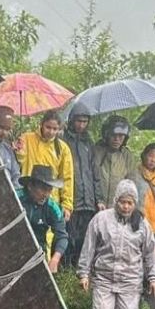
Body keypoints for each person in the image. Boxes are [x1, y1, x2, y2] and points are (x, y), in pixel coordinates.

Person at [78, 179, 155, 309]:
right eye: (122, 202)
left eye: (130, 203)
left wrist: (153, 278)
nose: (126, 207)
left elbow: (150, 254)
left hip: (130, 283)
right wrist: (83, 273)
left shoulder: (142, 225)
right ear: (116, 200)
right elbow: (89, 247)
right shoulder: (101, 219)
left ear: (135, 203)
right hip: (104, 281)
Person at [64, 112, 105, 268]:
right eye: (79, 121)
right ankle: (66, 270)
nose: (81, 125)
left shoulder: (89, 143)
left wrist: (99, 199)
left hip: (88, 200)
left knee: (85, 238)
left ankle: (81, 270)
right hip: (71, 198)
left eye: (85, 121)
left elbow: (95, 173)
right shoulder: (63, 140)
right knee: (69, 236)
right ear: (72, 120)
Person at [18, 110, 74, 218]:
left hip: (51, 199)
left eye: (55, 129)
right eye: (48, 127)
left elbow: (67, 178)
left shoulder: (62, 148)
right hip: (29, 194)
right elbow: (19, 162)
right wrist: (19, 151)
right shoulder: (26, 139)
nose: (51, 132)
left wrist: (67, 204)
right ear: (41, 124)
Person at [15, 165, 69, 272]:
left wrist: (55, 258)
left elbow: (62, 236)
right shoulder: (15, 198)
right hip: (13, 249)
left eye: (49, 190)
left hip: (38, 255)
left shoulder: (52, 207)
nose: (46, 194)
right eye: (43, 189)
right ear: (31, 186)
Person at [93, 115, 136, 202]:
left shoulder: (127, 155)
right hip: (96, 202)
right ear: (107, 135)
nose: (117, 139)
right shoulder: (96, 151)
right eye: (113, 135)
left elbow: (131, 182)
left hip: (118, 205)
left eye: (121, 136)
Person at [0, 106, 21, 187]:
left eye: (7, 129)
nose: (4, 133)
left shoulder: (8, 150)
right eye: (1, 127)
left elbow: (15, 175)